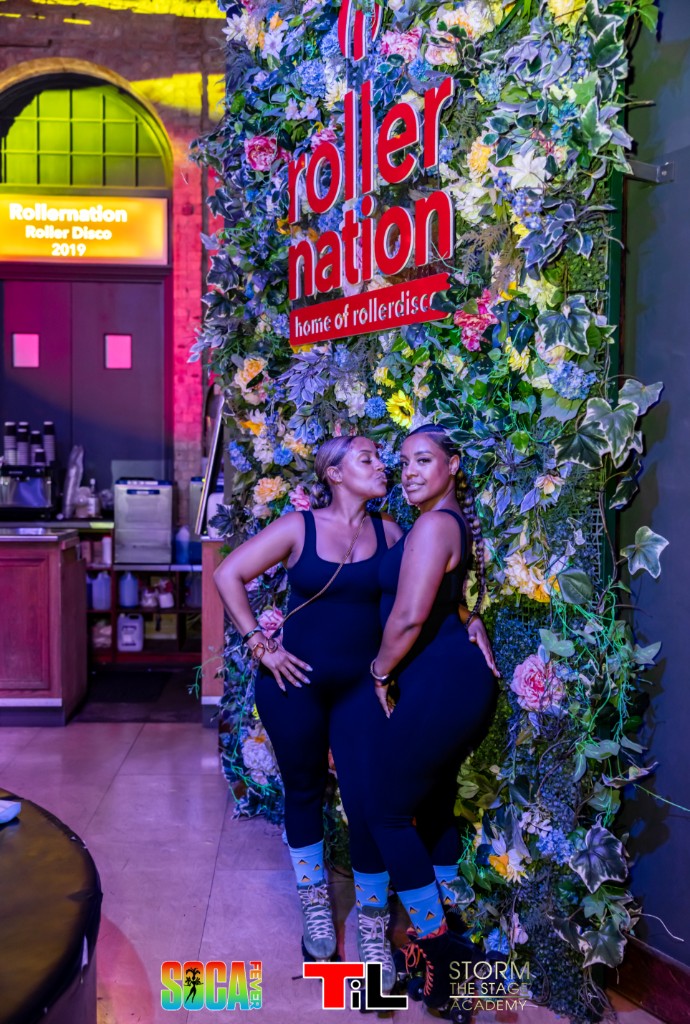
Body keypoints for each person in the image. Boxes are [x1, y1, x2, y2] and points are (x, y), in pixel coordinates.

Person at [213, 435, 498, 984]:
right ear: (335, 473)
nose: (384, 465)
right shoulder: (300, 527)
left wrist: (469, 618)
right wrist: (261, 645)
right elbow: (229, 574)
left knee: (368, 803)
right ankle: (315, 905)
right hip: (293, 684)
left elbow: (428, 589)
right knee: (303, 791)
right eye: (367, 458)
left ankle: (372, 924)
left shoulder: (391, 532)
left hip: (361, 690)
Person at [365, 424, 500, 1011]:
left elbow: (409, 617)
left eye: (424, 460)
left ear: (453, 465)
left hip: (442, 684)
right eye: (404, 463)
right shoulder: (445, 524)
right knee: (435, 807)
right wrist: (471, 617)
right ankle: (457, 938)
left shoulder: (432, 526)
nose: (410, 472)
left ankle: (444, 956)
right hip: (449, 681)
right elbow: (447, 603)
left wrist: (378, 673)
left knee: (385, 811)